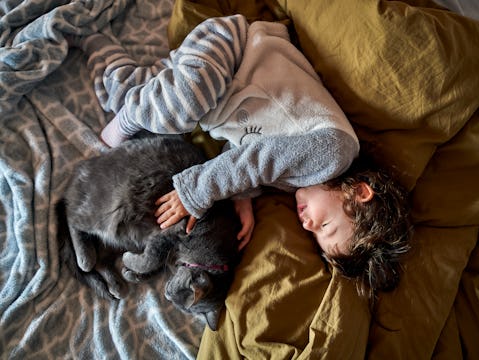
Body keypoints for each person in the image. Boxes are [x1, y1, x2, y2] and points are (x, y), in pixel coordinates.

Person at [74, 14, 411, 298]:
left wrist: (244, 196)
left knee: (132, 93)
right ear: (359, 192)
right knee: (169, 108)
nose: (307, 224)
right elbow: (259, 157)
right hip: (234, 51)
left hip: (210, 91)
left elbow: (248, 147)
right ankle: (129, 119)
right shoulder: (334, 152)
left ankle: (93, 38)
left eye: (314, 234)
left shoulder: (296, 181)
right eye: (326, 225)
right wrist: (196, 192)